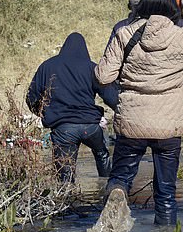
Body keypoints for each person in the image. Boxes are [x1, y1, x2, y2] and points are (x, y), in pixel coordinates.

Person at [94, 0, 183, 226]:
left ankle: (119, 194)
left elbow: (103, 77)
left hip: (132, 121)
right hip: (168, 125)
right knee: (166, 194)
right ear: (170, 7)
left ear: (142, 5)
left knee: (121, 177)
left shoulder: (125, 33)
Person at [26, 33, 119, 182]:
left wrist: (44, 113)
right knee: (102, 154)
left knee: (65, 177)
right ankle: (107, 187)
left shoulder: (48, 66)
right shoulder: (92, 68)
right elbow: (111, 97)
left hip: (63, 129)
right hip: (91, 126)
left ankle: (68, 201)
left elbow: (32, 97)